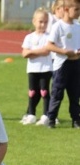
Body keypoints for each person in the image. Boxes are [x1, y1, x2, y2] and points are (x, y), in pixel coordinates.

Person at [45, 0, 80, 128]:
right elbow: (49, 45)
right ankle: (51, 119)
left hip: (76, 64)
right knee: (57, 93)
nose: (78, 12)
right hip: (61, 65)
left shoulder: (78, 27)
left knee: (75, 93)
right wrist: (64, 51)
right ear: (66, 9)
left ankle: (76, 120)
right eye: (76, 9)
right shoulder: (58, 26)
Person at [20, 8, 53, 125]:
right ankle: (31, 114)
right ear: (34, 21)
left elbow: (48, 51)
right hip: (33, 69)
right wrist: (40, 51)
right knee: (32, 91)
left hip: (46, 68)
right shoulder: (29, 37)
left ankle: (45, 115)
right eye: (40, 21)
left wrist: (33, 52)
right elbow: (25, 53)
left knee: (44, 91)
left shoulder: (49, 37)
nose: (42, 24)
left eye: (45, 22)